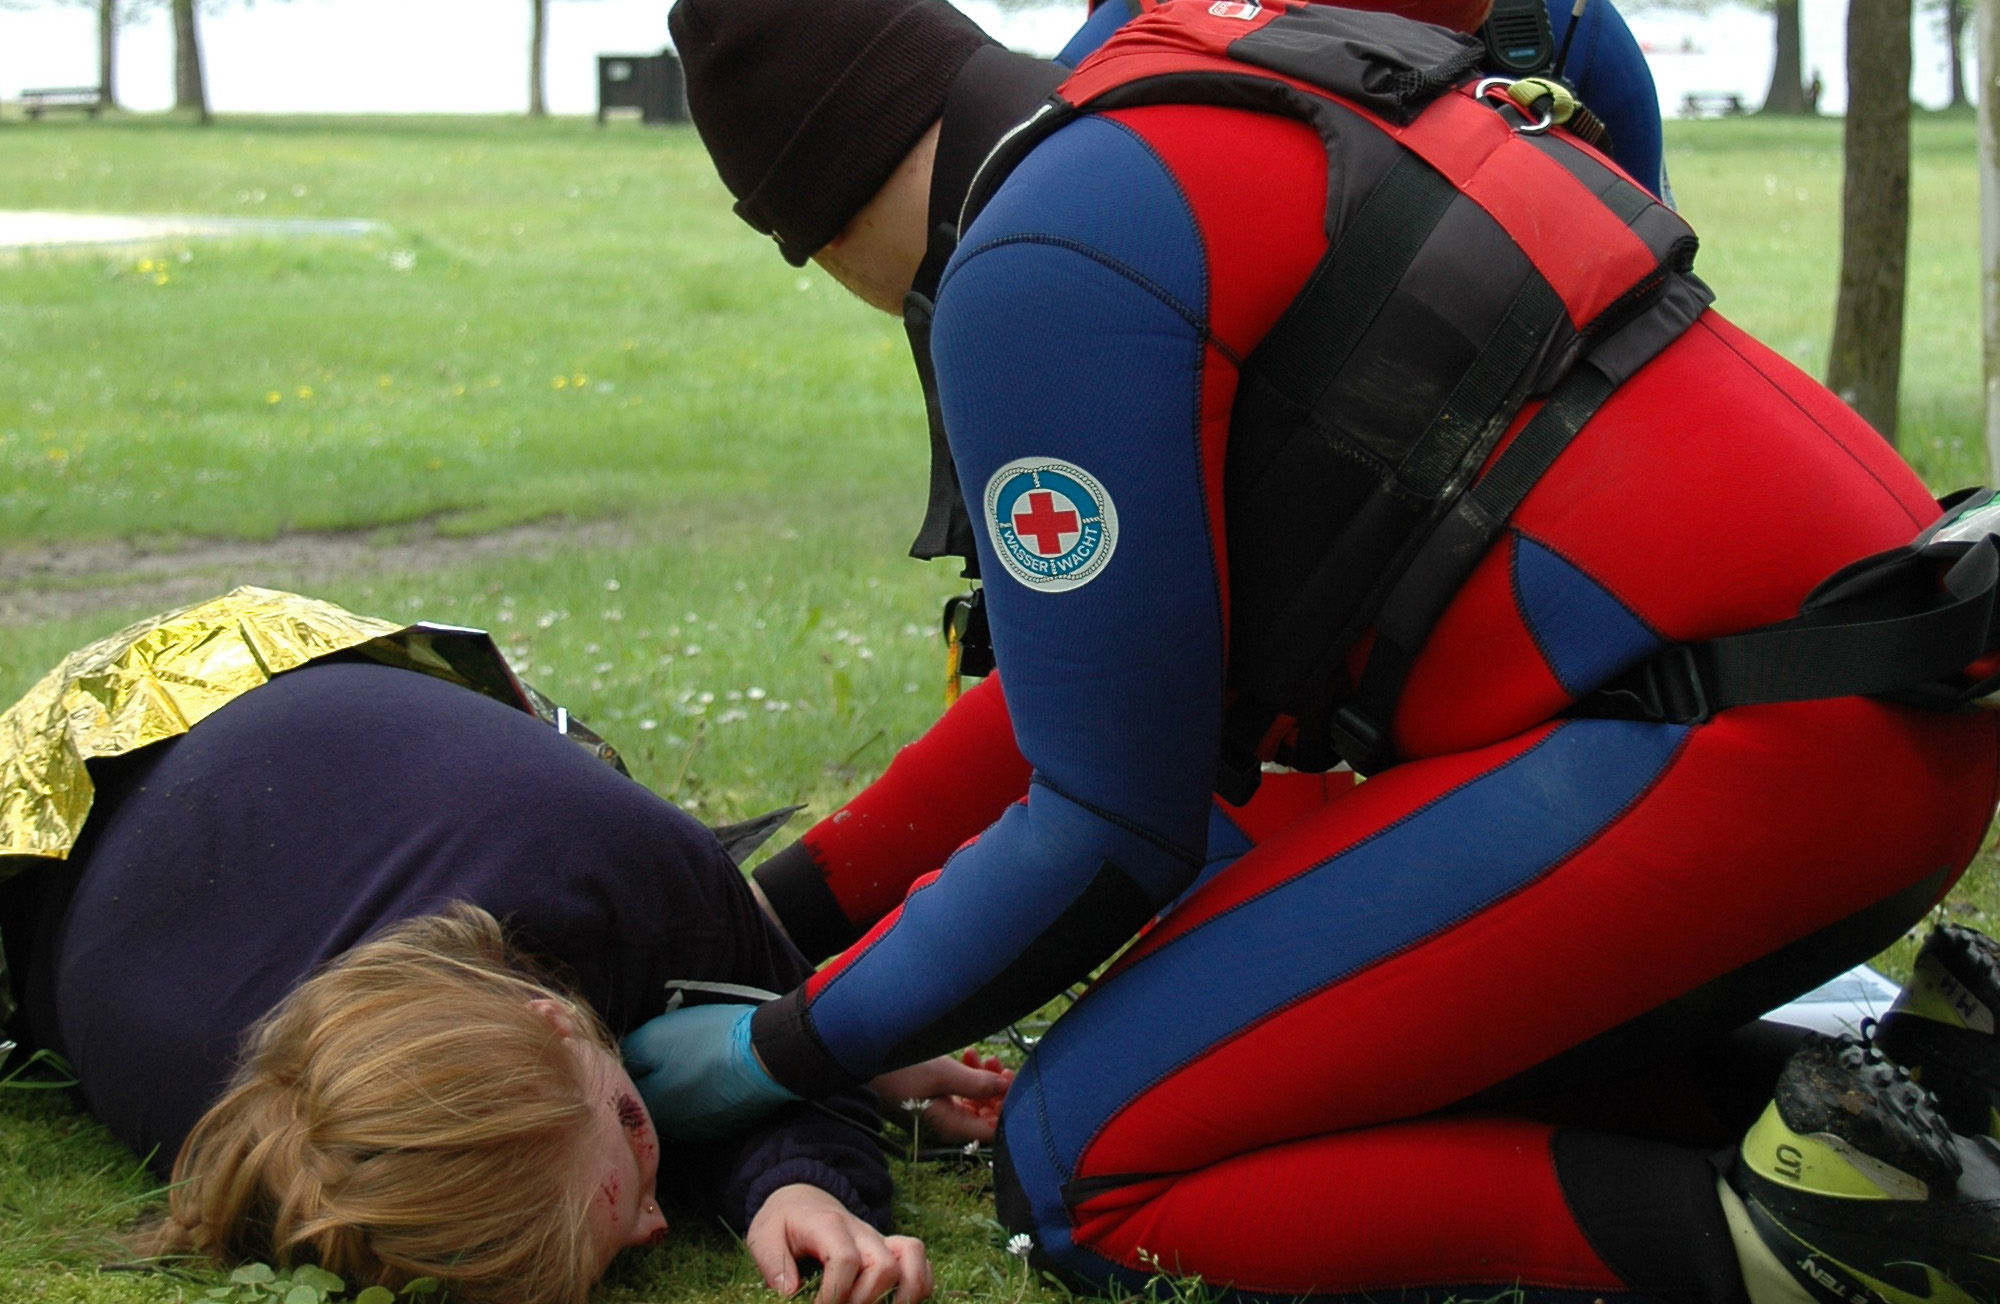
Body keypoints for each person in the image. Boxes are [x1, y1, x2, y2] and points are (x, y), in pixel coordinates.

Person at [636, 0, 2000, 1302]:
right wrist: (775, 919)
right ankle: (1908, 1098)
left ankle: (1793, 1242)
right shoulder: (1181, 103)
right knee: (1253, 932)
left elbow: (1109, 824)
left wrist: (778, 1049)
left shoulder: (1028, 268)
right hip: (1884, 690)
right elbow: (1110, 688)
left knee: (1084, 1164)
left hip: (1750, 748)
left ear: (816, 234)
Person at [0, 593, 1005, 1304]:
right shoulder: (300, 1154)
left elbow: (783, 1017)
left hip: (253, 664)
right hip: (91, 861)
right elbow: (701, 1059)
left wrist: (800, 1158)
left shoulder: (627, 873)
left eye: (633, 1130)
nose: (656, 1228)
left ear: (551, 1008)